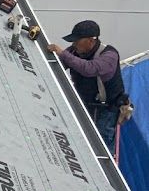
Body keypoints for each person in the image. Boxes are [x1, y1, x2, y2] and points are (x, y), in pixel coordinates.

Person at [48, 20, 125, 155]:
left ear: (90, 40)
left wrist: (62, 53)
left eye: (77, 40)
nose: (73, 44)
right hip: (84, 104)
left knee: (101, 149)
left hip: (106, 111)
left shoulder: (109, 55)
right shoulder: (74, 51)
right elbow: (57, 65)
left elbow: (89, 69)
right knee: (78, 142)